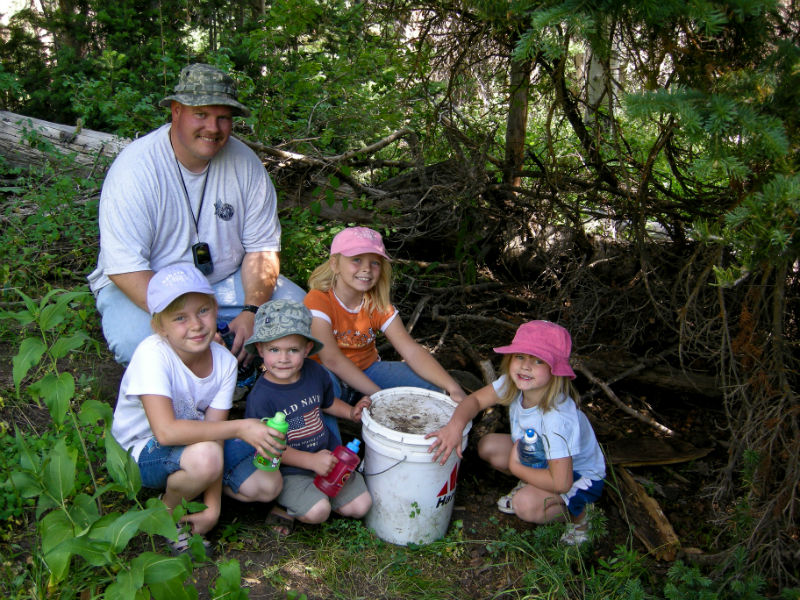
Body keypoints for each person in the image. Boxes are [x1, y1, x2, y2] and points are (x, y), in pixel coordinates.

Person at [88, 63, 305, 366]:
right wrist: (192, 323)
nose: (213, 128)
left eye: (223, 118)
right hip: (145, 288)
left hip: (224, 281)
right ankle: (175, 402)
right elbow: (125, 269)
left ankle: (264, 386)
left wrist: (252, 311)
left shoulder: (246, 164)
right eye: (201, 114)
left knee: (301, 315)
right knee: (135, 343)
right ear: (176, 111)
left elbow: (261, 249)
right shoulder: (135, 169)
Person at [111, 263, 287, 554]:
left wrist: (213, 507)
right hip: (139, 452)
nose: (195, 325)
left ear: (215, 308)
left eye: (203, 311)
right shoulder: (152, 355)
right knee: (205, 457)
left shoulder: (225, 363)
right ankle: (167, 514)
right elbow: (166, 433)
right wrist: (241, 427)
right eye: (180, 317)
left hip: (196, 444)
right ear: (159, 326)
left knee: (268, 485)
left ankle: (194, 490)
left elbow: (214, 436)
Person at [425, 320, 606, 545]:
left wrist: (516, 467)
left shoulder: (556, 419)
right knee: (488, 446)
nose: (525, 366)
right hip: (541, 457)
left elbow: (562, 483)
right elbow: (475, 399)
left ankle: (580, 517)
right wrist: (454, 427)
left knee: (526, 505)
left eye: (539, 360)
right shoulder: (514, 384)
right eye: (520, 356)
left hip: (577, 476)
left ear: (555, 370)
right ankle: (532, 481)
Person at [235, 299, 372, 527]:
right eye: (274, 350)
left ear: (307, 348)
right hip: (290, 471)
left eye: (293, 350)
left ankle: (320, 494)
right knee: (319, 512)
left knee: (361, 506)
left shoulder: (314, 371)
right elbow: (267, 449)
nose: (283, 359)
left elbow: (327, 403)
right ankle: (289, 504)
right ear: (260, 349)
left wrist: (351, 412)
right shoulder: (261, 397)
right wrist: (310, 462)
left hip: (327, 458)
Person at [304, 226, 467, 407]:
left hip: (369, 370)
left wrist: (453, 387)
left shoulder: (377, 303)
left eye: (375, 262)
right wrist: (380, 396)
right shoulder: (318, 300)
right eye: (356, 260)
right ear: (335, 264)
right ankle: (327, 434)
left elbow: (411, 351)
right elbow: (331, 359)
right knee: (317, 392)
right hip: (328, 374)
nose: (366, 268)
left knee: (428, 384)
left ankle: (442, 429)